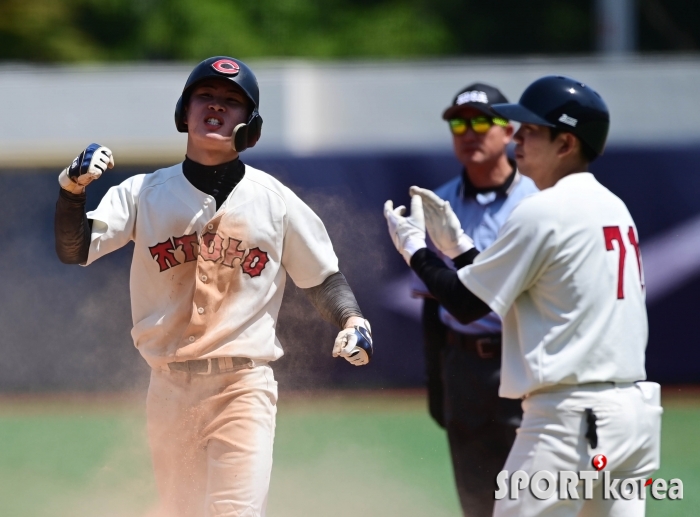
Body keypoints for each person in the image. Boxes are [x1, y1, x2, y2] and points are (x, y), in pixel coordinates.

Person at [54, 56, 373, 517]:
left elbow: (323, 276)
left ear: (252, 126)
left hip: (242, 386)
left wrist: (352, 318)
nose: (217, 107)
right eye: (206, 96)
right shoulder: (145, 192)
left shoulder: (275, 201)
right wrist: (71, 190)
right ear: (184, 112)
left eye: (232, 101)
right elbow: (75, 248)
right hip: (168, 388)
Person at [385, 75, 661, 516]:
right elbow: (526, 292)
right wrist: (461, 250)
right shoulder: (613, 206)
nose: (519, 138)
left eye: (531, 131)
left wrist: (415, 248)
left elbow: (466, 303)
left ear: (566, 142)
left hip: (567, 416)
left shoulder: (542, 209)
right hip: (631, 415)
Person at [412, 83, 537, 516]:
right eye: (459, 122)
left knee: (533, 496)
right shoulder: (438, 201)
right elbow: (435, 296)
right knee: (477, 500)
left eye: (482, 121)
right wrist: (437, 379)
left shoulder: (536, 201)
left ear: (509, 132)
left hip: (521, 360)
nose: (470, 132)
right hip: (463, 365)